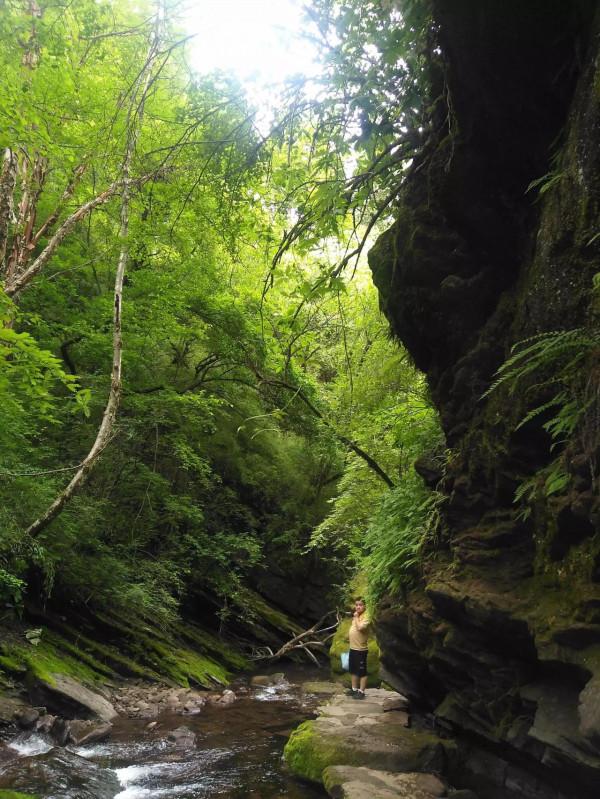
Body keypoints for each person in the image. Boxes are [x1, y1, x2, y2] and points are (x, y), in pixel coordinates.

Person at [346, 597, 370, 700]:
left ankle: (361, 692)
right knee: (353, 670)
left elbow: (360, 628)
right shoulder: (357, 616)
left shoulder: (367, 616)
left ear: (365, 606)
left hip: (361, 650)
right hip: (353, 648)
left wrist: (355, 618)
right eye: (356, 605)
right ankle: (354, 689)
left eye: (360, 605)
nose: (358, 607)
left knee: (362, 672)